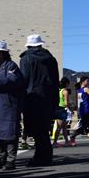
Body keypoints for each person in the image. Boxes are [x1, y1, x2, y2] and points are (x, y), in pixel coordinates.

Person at [20, 34, 59, 167]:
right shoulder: (51, 58)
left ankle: (40, 157)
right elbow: (55, 81)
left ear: (29, 45)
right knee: (44, 128)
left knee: (36, 129)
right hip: (48, 96)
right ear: (40, 45)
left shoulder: (26, 58)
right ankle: (45, 155)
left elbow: (24, 79)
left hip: (32, 96)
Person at [0, 40, 24, 170]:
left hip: (8, 105)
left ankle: (10, 160)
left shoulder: (11, 66)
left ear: (4, 53)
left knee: (9, 133)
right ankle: (2, 157)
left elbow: (14, 80)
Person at [69, 77, 89, 144]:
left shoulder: (79, 90)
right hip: (85, 110)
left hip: (82, 110)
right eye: (87, 81)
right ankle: (73, 136)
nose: (88, 83)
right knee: (84, 125)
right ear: (82, 81)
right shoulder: (86, 89)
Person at [52, 77, 71, 148]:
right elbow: (66, 103)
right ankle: (54, 142)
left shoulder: (59, 90)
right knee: (59, 127)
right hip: (62, 109)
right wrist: (71, 106)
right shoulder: (65, 91)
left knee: (64, 127)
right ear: (66, 83)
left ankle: (67, 141)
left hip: (57, 108)